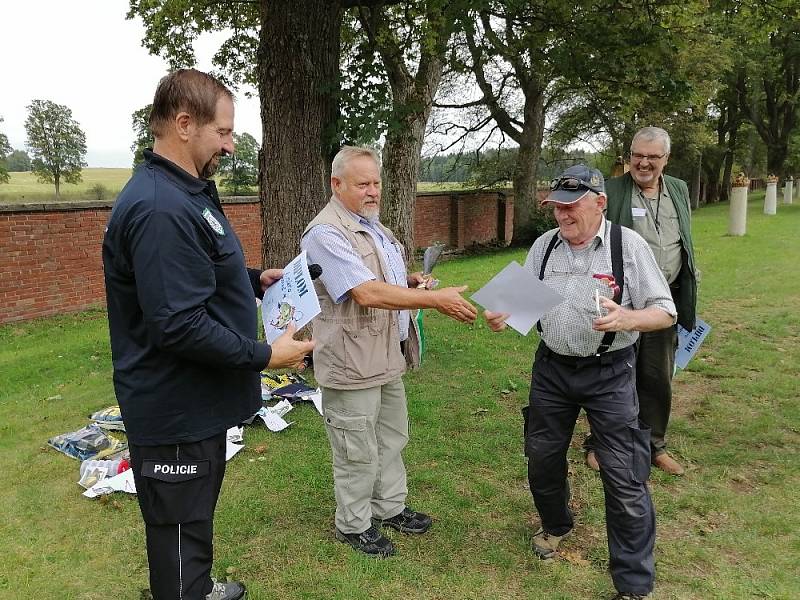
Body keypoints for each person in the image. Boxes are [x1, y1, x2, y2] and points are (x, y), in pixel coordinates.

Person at [102, 69, 313, 600]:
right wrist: (267, 355)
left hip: (197, 402)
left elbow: (190, 277)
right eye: (223, 131)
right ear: (183, 124)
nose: (231, 143)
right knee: (177, 527)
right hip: (174, 406)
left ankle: (193, 587)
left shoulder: (182, 194)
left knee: (192, 516)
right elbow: (177, 323)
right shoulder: (159, 208)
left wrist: (249, 280)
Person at [485, 165, 676, 600]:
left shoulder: (627, 247)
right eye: (557, 208)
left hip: (610, 370)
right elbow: (517, 306)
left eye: (572, 208)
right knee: (542, 456)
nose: (562, 216)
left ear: (600, 203)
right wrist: (502, 315)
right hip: (552, 369)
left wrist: (628, 317)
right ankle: (555, 525)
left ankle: (632, 584)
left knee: (624, 473)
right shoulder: (544, 247)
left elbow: (666, 311)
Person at [301, 146, 477, 557]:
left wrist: (411, 282)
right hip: (350, 360)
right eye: (363, 184)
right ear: (336, 184)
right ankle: (354, 524)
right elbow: (364, 291)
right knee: (356, 449)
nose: (373, 191)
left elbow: (381, 276)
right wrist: (434, 301)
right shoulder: (326, 232)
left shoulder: (372, 226)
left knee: (392, 438)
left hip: (385, 354)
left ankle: (389, 507)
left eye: (376, 183)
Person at [585, 126, 697, 476]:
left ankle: (654, 445)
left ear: (666, 159)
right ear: (629, 155)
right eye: (638, 155)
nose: (643, 163)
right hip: (624, 302)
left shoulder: (677, 189)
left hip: (663, 304)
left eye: (652, 157)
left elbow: (683, 241)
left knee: (657, 376)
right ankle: (600, 444)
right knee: (613, 377)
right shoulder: (610, 189)